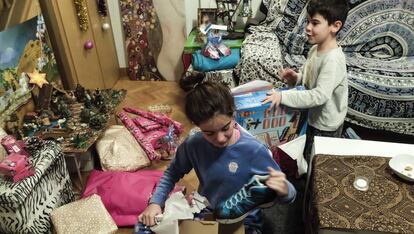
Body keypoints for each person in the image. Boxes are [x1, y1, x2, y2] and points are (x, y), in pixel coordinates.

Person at [138, 81, 296, 234]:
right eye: (209, 133)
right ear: (197, 126)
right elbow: (172, 172)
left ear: (233, 115)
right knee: (145, 226)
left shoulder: (254, 150)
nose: (220, 138)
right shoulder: (193, 144)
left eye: (225, 128)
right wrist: (156, 203)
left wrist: (285, 190)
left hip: (246, 219)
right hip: (208, 209)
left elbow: (289, 195)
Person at [262, 0, 349, 161]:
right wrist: (297, 78)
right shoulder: (316, 49)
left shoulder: (333, 60)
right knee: (306, 152)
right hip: (312, 117)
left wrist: (283, 97)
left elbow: (319, 95)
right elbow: (309, 78)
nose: (308, 28)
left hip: (325, 126)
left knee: (318, 161)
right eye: (308, 21)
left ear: (335, 26)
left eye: (315, 23)